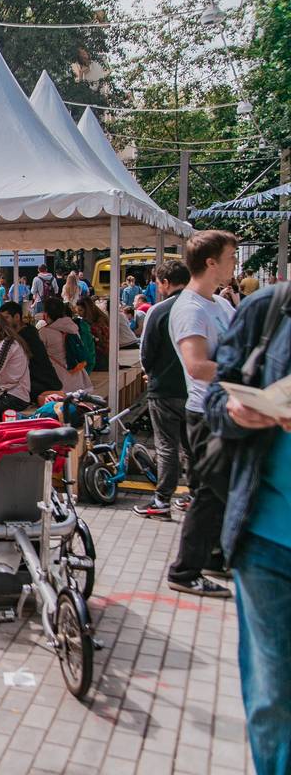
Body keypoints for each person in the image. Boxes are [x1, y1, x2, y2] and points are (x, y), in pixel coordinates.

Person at [203, 282, 291, 775]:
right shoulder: (269, 309)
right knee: (273, 694)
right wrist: (237, 411)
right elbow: (218, 398)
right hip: (267, 538)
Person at [166, 230, 239, 598]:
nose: (235, 264)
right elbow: (196, 366)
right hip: (207, 414)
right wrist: (247, 372)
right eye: (231, 257)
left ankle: (212, 556)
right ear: (211, 263)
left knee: (218, 491)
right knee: (211, 492)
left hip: (226, 409)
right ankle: (185, 570)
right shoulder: (191, 309)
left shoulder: (220, 305)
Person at [134, 260, 192, 519]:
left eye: (158, 283)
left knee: (167, 446)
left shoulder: (160, 311)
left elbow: (146, 352)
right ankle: (194, 495)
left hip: (164, 389)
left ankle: (162, 500)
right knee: (191, 445)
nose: (157, 288)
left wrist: (151, 373)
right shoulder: (204, 306)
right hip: (195, 390)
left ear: (166, 282)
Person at [0, 301, 64, 400]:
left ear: (17, 317)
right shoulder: (28, 330)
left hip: (41, 385)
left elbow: (0, 361)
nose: (3, 322)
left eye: (6, 318)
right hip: (44, 383)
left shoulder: (24, 336)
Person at [35, 297, 92, 393]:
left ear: (46, 314)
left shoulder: (44, 332)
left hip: (58, 381)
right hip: (79, 380)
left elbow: (38, 356)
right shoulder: (72, 327)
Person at [75, 295, 111, 371]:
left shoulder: (93, 324)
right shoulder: (101, 317)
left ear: (87, 310)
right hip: (107, 357)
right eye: (77, 311)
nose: (78, 313)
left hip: (101, 359)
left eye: (80, 310)